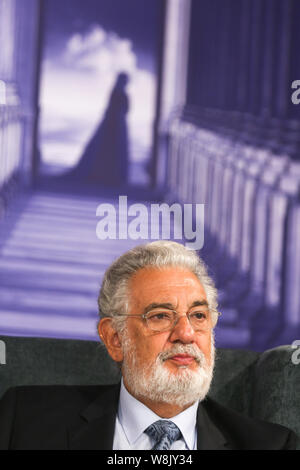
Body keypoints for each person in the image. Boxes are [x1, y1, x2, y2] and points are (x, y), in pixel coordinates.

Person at [0, 241, 297, 450]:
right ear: (115, 339)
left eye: (198, 315)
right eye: (160, 316)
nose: (186, 332)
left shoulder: (270, 444)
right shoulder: (24, 421)